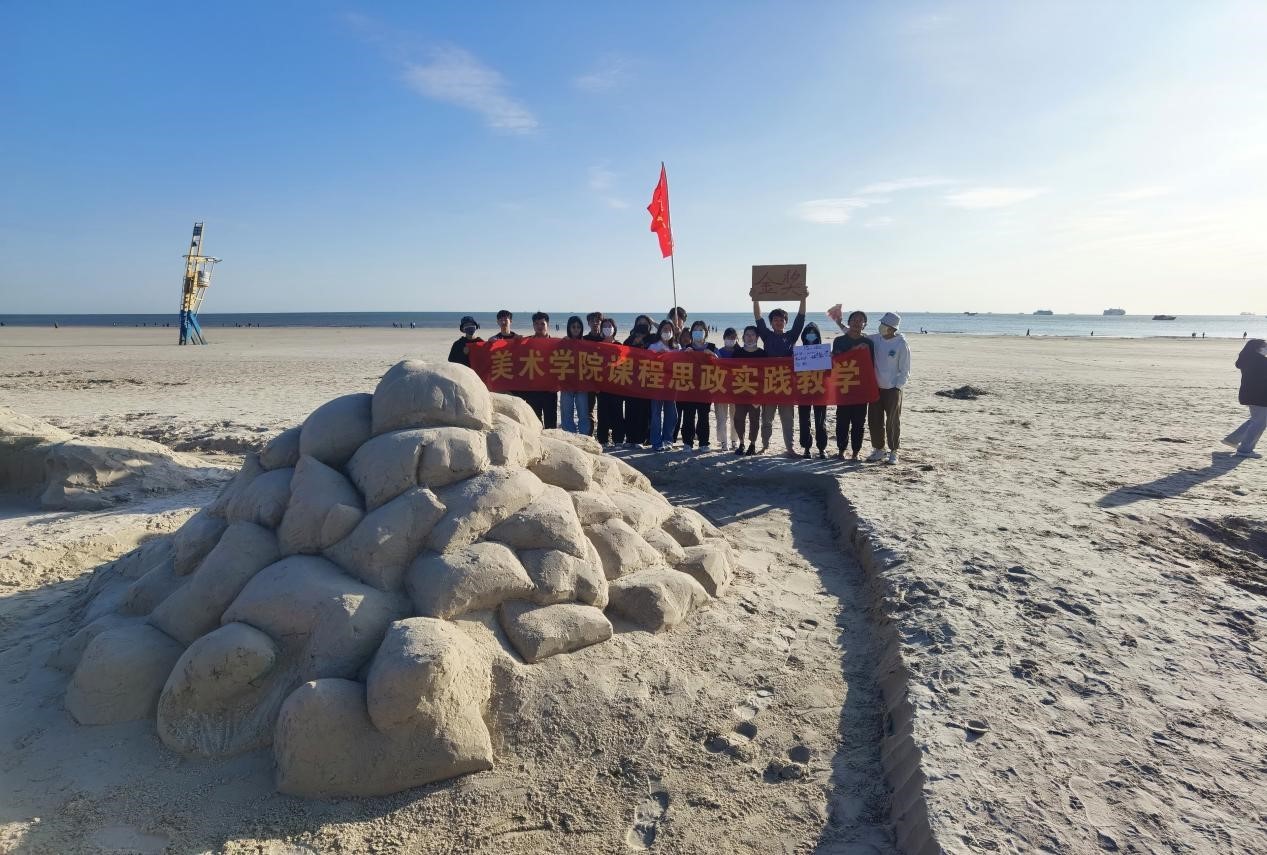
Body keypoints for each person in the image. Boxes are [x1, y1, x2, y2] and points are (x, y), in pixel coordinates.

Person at [753, 295, 806, 456]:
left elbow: (800, 319)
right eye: (775, 320)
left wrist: (803, 299)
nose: (778, 322)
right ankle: (765, 445)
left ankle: (790, 448)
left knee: (788, 419)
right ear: (771, 322)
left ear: (785, 322)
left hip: (787, 384)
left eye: (781, 320)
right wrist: (756, 298)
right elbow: (758, 318)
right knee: (766, 419)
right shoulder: (767, 335)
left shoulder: (791, 336)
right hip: (769, 383)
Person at [830, 310, 875, 461]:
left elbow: (871, 366)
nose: (857, 322)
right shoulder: (839, 341)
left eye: (860, 320)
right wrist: (853, 351)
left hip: (860, 388)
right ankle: (841, 451)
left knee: (859, 422)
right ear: (848, 323)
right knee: (842, 421)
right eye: (854, 320)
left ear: (864, 325)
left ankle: (856, 452)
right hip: (843, 386)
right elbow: (836, 360)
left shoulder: (868, 343)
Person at [866, 312, 910, 464]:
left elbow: (905, 369)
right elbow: (856, 334)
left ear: (892, 328)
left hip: (892, 389)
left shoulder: (901, 343)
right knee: (874, 420)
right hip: (875, 388)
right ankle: (879, 449)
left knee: (892, 421)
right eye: (881, 324)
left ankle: (894, 451)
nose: (881, 327)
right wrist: (840, 323)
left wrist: (897, 386)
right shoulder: (876, 339)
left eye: (884, 325)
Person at [1223, 338, 1267, 459]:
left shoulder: (1248, 359)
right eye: (1265, 346)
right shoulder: (1261, 361)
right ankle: (1245, 450)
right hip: (1260, 395)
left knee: (1256, 420)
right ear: (1258, 348)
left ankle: (1232, 440)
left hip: (1250, 394)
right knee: (1259, 423)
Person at [679, 320, 717, 450]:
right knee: (688, 415)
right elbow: (677, 363)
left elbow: (722, 364)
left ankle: (703, 442)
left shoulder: (711, 347)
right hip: (689, 387)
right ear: (691, 333)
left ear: (706, 332)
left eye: (701, 330)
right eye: (695, 330)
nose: (698, 332)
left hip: (705, 387)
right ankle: (687, 442)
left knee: (703, 416)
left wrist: (713, 355)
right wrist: (684, 354)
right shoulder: (687, 348)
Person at [732, 325, 768, 455]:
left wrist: (761, 394)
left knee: (754, 419)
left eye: (752, 335)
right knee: (738, 418)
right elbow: (729, 371)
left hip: (756, 393)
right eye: (747, 334)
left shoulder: (762, 353)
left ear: (757, 337)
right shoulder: (737, 353)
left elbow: (766, 374)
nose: (750, 337)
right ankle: (741, 443)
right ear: (743, 337)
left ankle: (752, 444)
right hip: (740, 392)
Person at [646, 320, 680, 451]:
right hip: (657, 384)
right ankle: (656, 442)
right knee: (656, 414)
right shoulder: (653, 346)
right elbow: (646, 364)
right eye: (664, 329)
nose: (667, 332)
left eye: (669, 330)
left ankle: (668, 439)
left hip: (671, 385)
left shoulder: (676, 347)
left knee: (671, 414)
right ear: (659, 330)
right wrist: (656, 356)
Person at [797, 322, 829, 458]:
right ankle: (806, 447)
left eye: (814, 333)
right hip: (803, 389)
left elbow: (830, 371)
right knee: (804, 420)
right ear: (804, 336)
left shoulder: (824, 351)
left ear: (818, 335)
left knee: (820, 421)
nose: (811, 335)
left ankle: (822, 448)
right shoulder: (799, 352)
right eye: (808, 333)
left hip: (819, 389)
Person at [524, 311, 558, 429]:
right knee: (534, 422)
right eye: (536, 324)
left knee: (551, 422)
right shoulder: (526, 343)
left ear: (548, 325)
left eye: (542, 324)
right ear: (533, 325)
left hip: (550, 389)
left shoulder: (556, 344)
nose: (539, 326)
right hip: (532, 389)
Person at [595, 318, 625, 446]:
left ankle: (618, 439)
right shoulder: (597, 346)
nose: (607, 328)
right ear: (601, 329)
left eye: (610, 326)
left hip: (616, 384)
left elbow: (624, 363)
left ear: (614, 328)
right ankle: (603, 439)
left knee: (617, 413)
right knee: (603, 414)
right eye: (605, 326)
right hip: (602, 385)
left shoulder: (619, 345)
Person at [623, 321, 653, 447]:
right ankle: (630, 438)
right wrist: (634, 344)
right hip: (631, 382)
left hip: (645, 382)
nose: (641, 336)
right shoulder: (629, 340)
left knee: (644, 412)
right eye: (639, 333)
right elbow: (622, 355)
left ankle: (641, 438)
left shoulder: (651, 341)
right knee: (630, 411)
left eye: (643, 333)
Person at [558, 316, 590, 435]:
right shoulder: (563, 342)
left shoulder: (586, 343)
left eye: (578, 327)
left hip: (582, 383)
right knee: (566, 412)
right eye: (573, 327)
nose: (576, 329)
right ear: (569, 328)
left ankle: (584, 436)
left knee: (583, 413)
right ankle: (569, 437)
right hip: (567, 383)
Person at [714, 327, 739, 450]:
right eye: (729, 337)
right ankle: (723, 441)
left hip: (736, 389)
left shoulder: (740, 353)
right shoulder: (718, 353)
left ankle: (734, 440)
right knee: (721, 417)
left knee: (736, 417)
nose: (731, 340)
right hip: (721, 389)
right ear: (724, 338)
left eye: (733, 337)